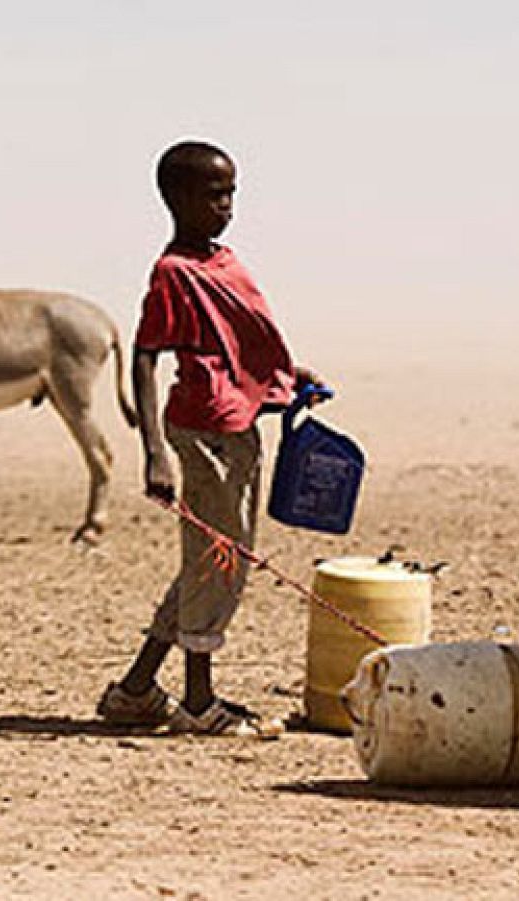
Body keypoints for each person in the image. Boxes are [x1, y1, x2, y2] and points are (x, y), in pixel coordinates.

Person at [96, 140, 324, 737]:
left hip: (238, 428)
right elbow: (145, 356)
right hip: (204, 433)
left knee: (210, 559)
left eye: (231, 194)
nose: (226, 206)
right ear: (176, 199)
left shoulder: (224, 262)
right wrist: (154, 452)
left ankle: (136, 690)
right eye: (213, 195)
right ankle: (198, 701)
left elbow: (235, 342)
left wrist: (285, 375)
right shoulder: (173, 272)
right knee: (217, 562)